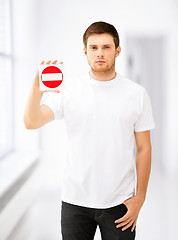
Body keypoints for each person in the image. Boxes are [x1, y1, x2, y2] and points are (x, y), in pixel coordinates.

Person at [23, 21, 156, 240]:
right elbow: (31, 122)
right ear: (85, 52)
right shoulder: (69, 90)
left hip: (119, 203)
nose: (100, 53)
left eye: (106, 47)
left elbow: (144, 148)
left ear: (118, 51)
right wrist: (36, 90)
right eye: (93, 48)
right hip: (75, 202)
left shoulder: (137, 94)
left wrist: (139, 198)